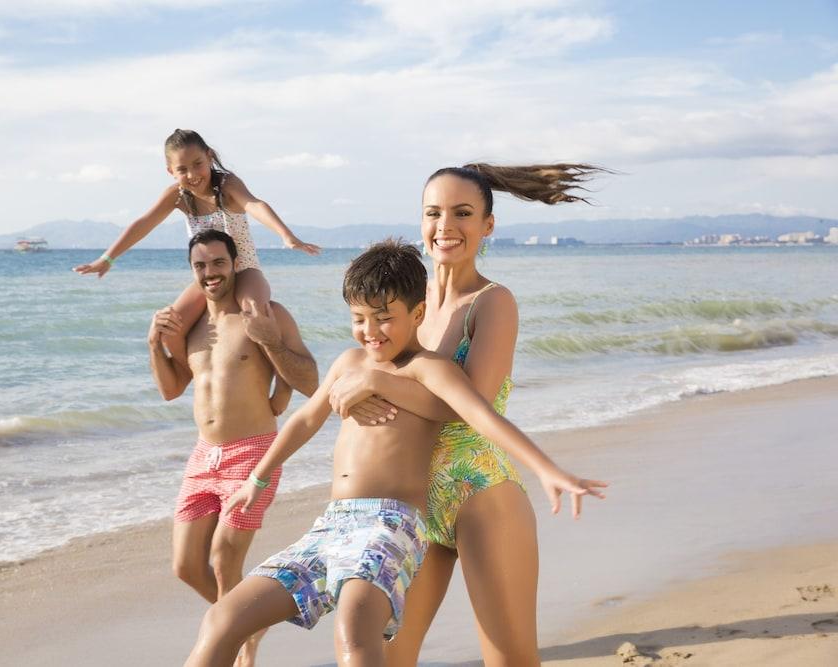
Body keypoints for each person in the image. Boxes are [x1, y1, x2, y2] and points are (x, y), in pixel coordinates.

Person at [184, 240, 605, 667]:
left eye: (385, 319)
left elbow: (481, 417)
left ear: (417, 314)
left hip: (391, 525)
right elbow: (304, 421)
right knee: (222, 618)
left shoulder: (427, 369)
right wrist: (256, 480)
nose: (371, 331)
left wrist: (547, 469)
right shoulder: (348, 363)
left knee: (356, 634)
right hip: (330, 526)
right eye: (360, 319)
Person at [326, 163, 608, 666]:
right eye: (433, 213)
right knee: (386, 657)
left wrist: (373, 382)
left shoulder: (492, 303)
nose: (445, 226)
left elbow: (466, 405)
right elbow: (361, 386)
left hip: (481, 497)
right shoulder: (402, 303)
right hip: (411, 507)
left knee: (509, 661)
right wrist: (344, 392)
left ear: (487, 226)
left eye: (462, 213)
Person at [149, 229, 319, 667]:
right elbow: (171, 389)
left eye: (218, 263)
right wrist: (154, 344)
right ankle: (248, 621)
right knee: (186, 566)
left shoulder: (264, 314)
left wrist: (269, 341)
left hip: (254, 451)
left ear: (234, 264)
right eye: (200, 266)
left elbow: (309, 378)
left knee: (225, 560)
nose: (210, 273)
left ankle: (235, 653)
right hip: (204, 455)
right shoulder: (191, 328)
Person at [75, 128, 321, 414]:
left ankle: (282, 384)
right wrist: (108, 259)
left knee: (255, 312)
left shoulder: (227, 185)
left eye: (197, 164)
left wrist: (285, 235)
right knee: (171, 325)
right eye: (182, 169)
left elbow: (254, 205)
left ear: (210, 157)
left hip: (245, 269)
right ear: (170, 171)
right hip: (209, 277)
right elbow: (144, 223)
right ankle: (190, 370)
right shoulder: (178, 195)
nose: (192, 174)